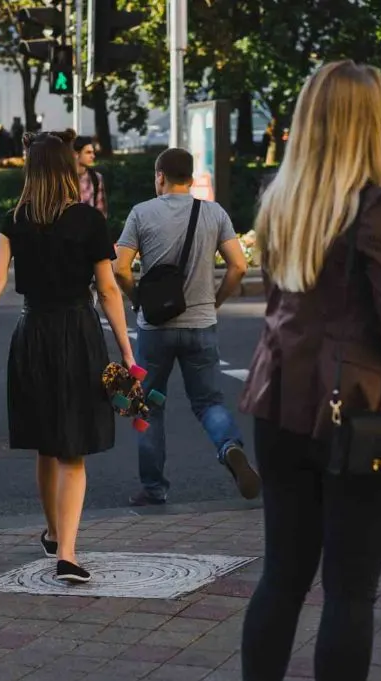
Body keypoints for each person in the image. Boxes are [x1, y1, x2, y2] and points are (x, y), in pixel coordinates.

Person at [237, 61, 381, 680]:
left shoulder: (281, 199)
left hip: (278, 401)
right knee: (351, 590)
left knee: (282, 578)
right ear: (369, 124)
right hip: (368, 412)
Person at [0, 134, 135, 583]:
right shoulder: (89, 221)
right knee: (72, 448)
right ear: (67, 168)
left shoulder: (15, 218)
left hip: (32, 331)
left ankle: (56, 534)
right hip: (77, 332)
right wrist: (128, 350)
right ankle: (68, 555)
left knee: (44, 441)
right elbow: (109, 288)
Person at [112, 149, 257, 506]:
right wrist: (216, 301)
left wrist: (138, 299)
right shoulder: (213, 212)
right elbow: (238, 265)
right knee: (208, 402)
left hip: (155, 329)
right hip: (201, 325)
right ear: (191, 179)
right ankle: (230, 447)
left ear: (159, 175)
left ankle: (154, 488)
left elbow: (120, 268)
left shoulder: (141, 213)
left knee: (149, 405)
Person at [73, 137, 107, 219]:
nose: (93, 156)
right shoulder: (63, 178)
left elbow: (101, 210)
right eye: (88, 152)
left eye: (93, 152)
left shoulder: (96, 178)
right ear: (76, 154)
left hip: (89, 227)